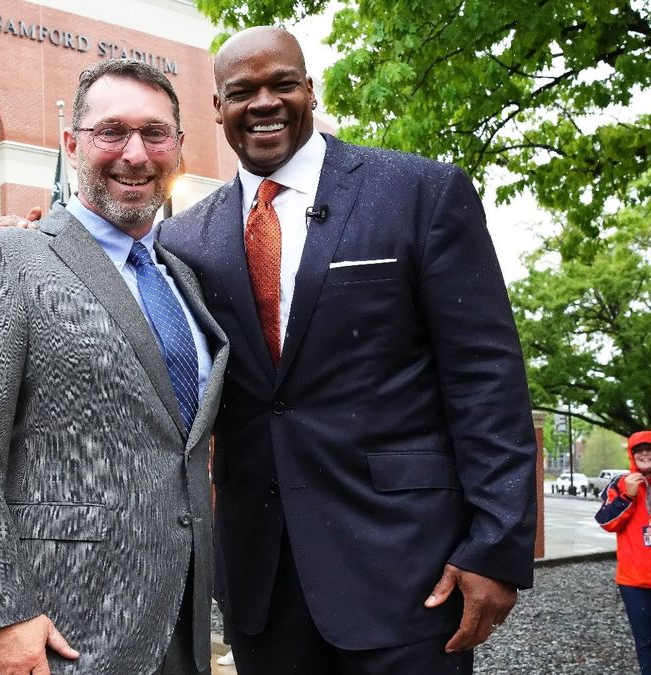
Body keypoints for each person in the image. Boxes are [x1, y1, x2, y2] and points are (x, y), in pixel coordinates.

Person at [157, 26, 537, 674]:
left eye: (282, 83)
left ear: (311, 89)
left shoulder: (421, 194)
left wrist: (496, 544)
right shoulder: (182, 240)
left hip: (407, 569)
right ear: (217, 108)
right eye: (242, 91)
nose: (265, 102)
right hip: (262, 584)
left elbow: (485, 380)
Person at [0, 59, 229, 674]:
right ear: (71, 143)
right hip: (57, 632)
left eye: (155, 133)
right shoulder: (2, 255)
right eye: (112, 131)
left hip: (180, 627)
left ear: (178, 148)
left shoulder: (182, 280)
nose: (135, 154)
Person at [596, 430, 651, 674]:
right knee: (646, 640)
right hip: (634, 581)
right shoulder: (619, 484)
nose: (645, 454)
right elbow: (606, 521)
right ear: (631, 454)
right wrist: (627, 496)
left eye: (649, 449)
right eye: (639, 450)